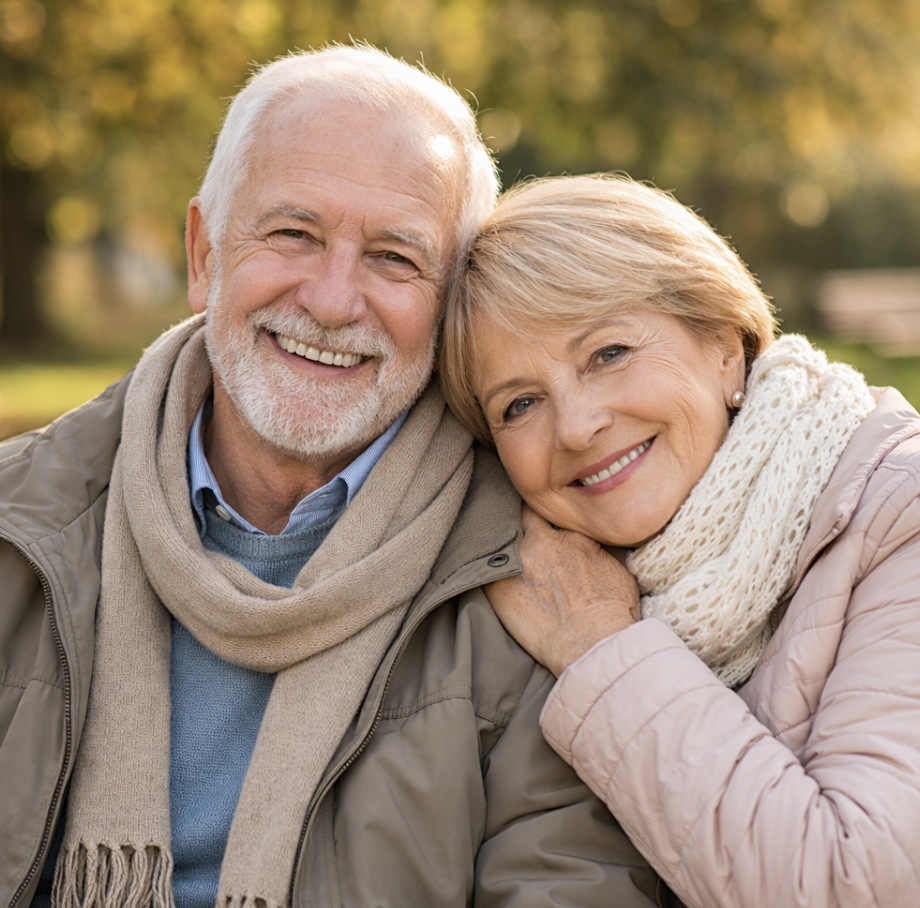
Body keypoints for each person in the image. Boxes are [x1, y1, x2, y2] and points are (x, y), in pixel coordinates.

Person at [0, 52, 675, 908]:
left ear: (451, 302)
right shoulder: (19, 527)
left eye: (394, 258)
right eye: (293, 235)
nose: (330, 299)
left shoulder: (536, 575)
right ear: (204, 252)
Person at [441, 173, 920, 908]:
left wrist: (604, 647)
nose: (575, 427)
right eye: (521, 403)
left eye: (608, 354)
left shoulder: (900, 514)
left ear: (726, 347)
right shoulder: (536, 582)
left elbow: (855, 884)